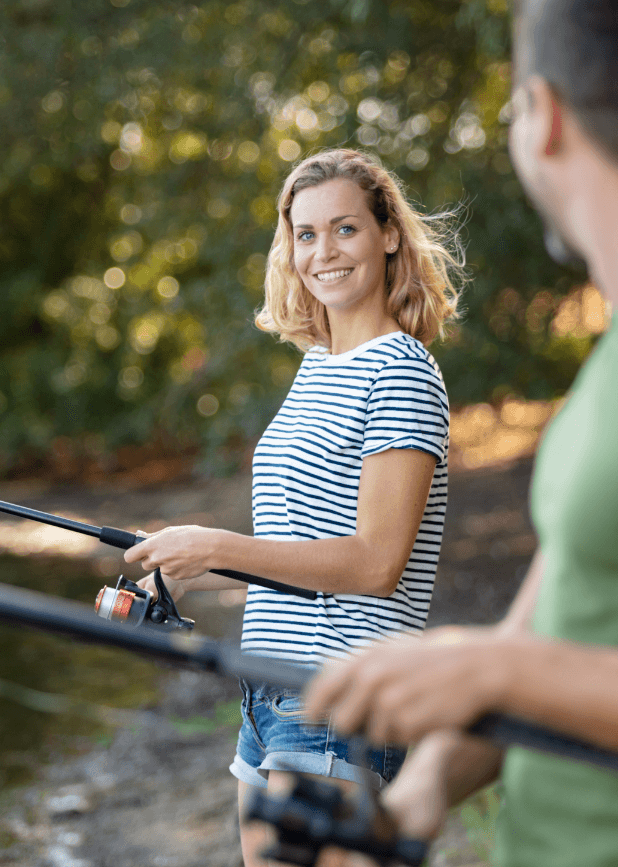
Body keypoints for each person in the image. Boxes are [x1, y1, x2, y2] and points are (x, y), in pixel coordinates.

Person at [304, 2, 618, 866]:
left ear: (546, 116)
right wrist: (423, 787)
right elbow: (562, 613)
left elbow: (521, 666)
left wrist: (491, 672)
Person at [123, 148, 464, 866]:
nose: (323, 252)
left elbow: (374, 564)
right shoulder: (318, 364)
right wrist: (187, 568)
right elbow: (299, 549)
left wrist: (215, 543)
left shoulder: (400, 369)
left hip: (338, 692)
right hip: (271, 691)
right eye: (305, 234)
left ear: (388, 234)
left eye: (344, 228)